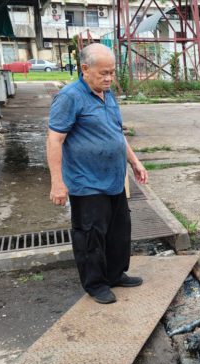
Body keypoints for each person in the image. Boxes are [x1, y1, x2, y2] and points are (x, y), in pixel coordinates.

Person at [46, 43, 148, 305]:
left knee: (118, 233)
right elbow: (55, 140)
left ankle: (115, 274)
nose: (109, 78)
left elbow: (116, 134)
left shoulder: (108, 94)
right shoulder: (70, 97)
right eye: (103, 73)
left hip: (114, 179)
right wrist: (57, 182)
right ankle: (96, 284)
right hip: (86, 182)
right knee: (91, 236)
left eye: (112, 73)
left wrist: (135, 162)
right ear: (85, 69)